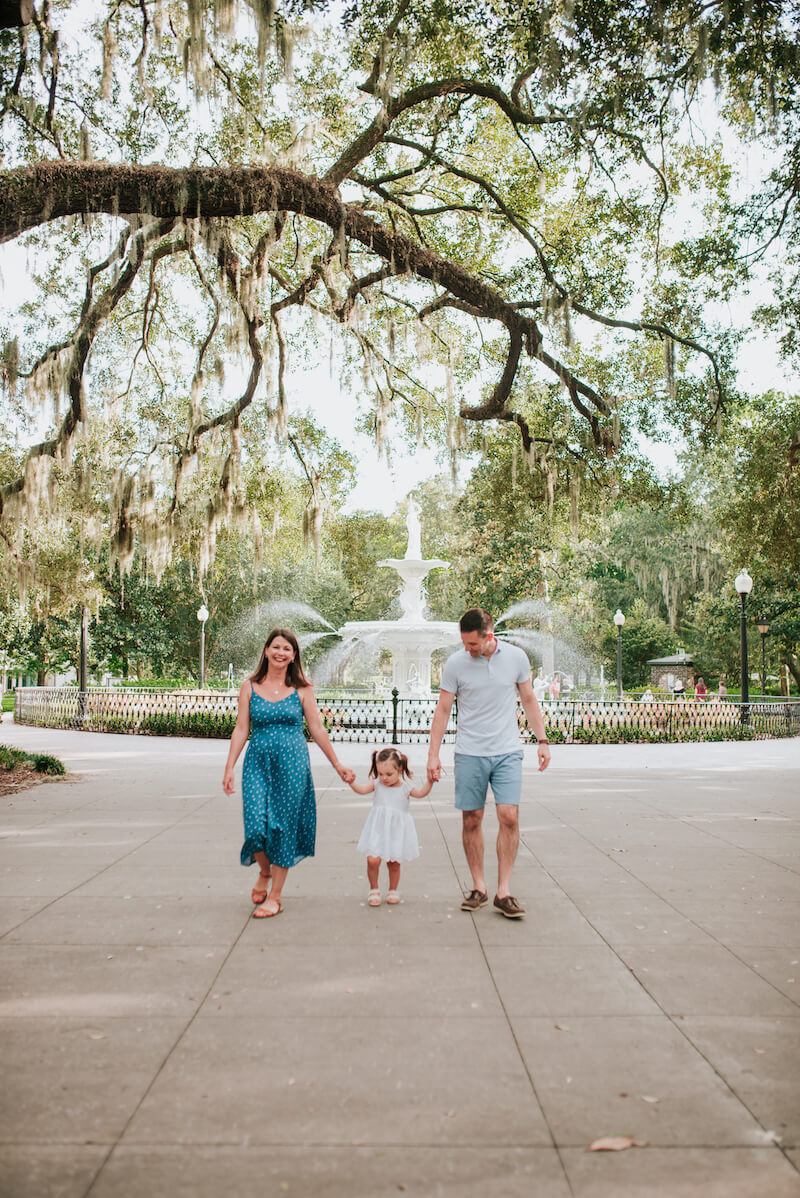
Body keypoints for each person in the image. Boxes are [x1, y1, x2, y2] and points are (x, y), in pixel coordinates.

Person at [427, 607, 551, 920]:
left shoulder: (516, 658)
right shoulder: (456, 664)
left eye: (473, 644)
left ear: (489, 635)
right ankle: (479, 887)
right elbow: (442, 710)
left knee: (509, 816)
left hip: (508, 750)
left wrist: (542, 740)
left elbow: (528, 699)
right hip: (470, 752)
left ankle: (504, 891)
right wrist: (433, 754)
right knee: (472, 819)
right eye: (464, 643)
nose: (467, 649)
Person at [222, 627, 354, 918]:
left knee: (282, 828)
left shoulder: (303, 689)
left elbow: (317, 729)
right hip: (257, 763)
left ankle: (276, 897)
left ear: (294, 656)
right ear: (267, 650)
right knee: (256, 825)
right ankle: (264, 873)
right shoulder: (250, 686)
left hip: (292, 765)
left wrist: (338, 764)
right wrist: (229, 766)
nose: (281, 653)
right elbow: (241, 728)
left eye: (287, 649)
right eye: (276, 647)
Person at [348, 746, 432, 906]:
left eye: (388, 774)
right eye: (380, 773)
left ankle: (393, 889)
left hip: (396, 831)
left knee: (394, 862)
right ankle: (374, 889)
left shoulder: (405, 787)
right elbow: (361, 790)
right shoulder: (377, 784)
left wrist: (430, 781)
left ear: (400, 770)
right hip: (378, 829)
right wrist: (352, 783)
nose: (384, 778)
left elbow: (421, 793)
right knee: (372, 860)